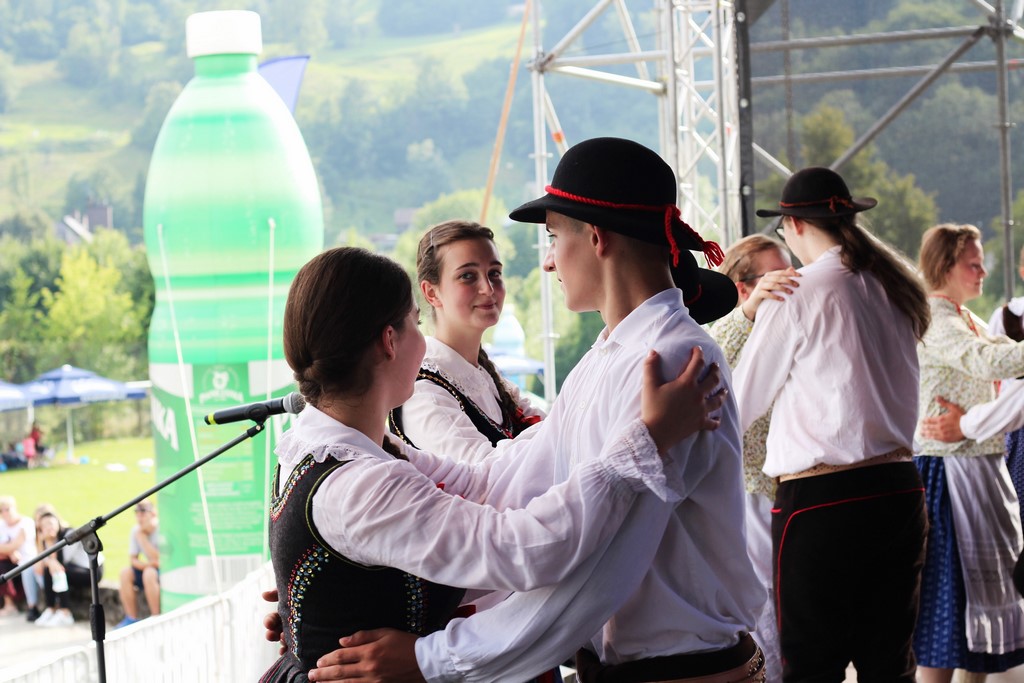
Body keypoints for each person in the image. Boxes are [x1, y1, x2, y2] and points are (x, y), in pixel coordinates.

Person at [306, 137, 765, 683]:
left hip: (681, 672)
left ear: (595, 237)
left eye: (552, 237)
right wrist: (348, 578)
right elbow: (510, 479)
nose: (548, 261)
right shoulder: (612, 354)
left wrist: (433, 659)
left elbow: (595, 571)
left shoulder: (668, 363)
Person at [259, 245, 725, 681]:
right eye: (416, 323)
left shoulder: (318, 443)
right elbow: (523, 548)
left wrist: (326, 602)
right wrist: (645, 443)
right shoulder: (359, 482)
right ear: (389, 341)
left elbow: (479, 482)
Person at [733, 167, 930, 682]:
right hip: (900, 488)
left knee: (812, 666)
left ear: (794, 225)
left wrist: (748, 314)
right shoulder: (894, 286)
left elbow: (738, 404)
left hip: (823, 500)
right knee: (889, 663)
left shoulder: (797, 292)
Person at [914, 222, 1024, 683]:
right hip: (947, 473)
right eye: (973, 264)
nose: (982, 272)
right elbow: (988, 361)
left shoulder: (964, 319)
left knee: (967, 615)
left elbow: (1002, 355)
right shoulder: (937, 320)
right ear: (944, 267)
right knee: (944, 609)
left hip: (974, 468)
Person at [710, 234, 799, 683]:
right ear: (744, 286)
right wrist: (747, 312)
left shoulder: (793, 323)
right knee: (764, 608)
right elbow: (711, 360)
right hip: (747, 495)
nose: (792, 282)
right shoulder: (724, 331)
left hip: (792, 488)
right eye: (778, 276)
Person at [388, 219, 545, 463]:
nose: (488, 288)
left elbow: (554, 430)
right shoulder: (424, 391)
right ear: (431, 292)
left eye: (494, 273)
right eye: (467, 276)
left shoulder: (485, 374)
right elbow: (488, 474)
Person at [32, 509, 103, 627]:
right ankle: (51, 608)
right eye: (44, 526)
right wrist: (41, 543)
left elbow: (60, 562)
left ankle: (65, 613)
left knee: (58, 571)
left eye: (50, 523)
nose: (48, 528)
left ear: (57, 522)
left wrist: (49, 552)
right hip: (74, 569)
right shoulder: (50, 540)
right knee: (48, 570)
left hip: (92, 569)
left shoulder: (69, 535)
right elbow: (41, 567)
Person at [115, 499, 161, 628]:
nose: (140, 518)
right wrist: (149, 565)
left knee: (149, 574)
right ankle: (131, 618)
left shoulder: (161, 529)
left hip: (162, 572)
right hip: (151, 567)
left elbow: (161, 560)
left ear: (153, 514)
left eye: (143, 513)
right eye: (137, 513)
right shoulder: (136, 531)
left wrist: (143, 539)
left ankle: (156, 618)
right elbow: (133, 560)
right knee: (125, 573)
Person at [0, 495, 41, 621]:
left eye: (7, 509)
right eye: (1, 511)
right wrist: (11, 552)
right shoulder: (2, 525)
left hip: (28, 560)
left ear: (15, 508)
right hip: (11, 560)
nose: (5, 513)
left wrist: (9, 549)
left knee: (22, 569)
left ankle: (29, 606)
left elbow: (16, 543)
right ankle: (9, 604)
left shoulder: (26, 522)